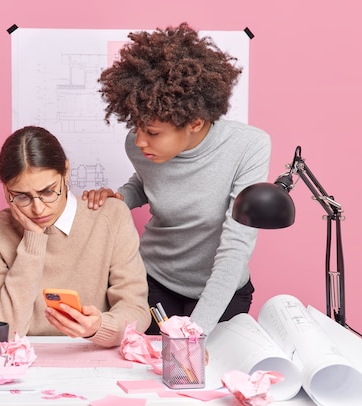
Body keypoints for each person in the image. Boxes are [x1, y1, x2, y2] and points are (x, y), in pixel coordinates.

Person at [83, 23, 271, 336]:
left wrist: (195, 333)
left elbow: (235, 246)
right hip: (154, 280)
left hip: (221, 289)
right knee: (145, 368)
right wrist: (121, 198)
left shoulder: (248, 146)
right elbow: (148, 184)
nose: (140, 141)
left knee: (199, 372)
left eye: (153, 132)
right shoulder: (139, 146)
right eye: (137, 127)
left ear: (195, 122)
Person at [0, 125, 151, 347]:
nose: (38, 209)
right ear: (5, 190)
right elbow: (1, 330)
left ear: (66, 171)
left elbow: (137, 310)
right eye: (21, 196)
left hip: (95, 354)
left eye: (48, 192)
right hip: (23, 360)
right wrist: (33, 240)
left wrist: (99, 327)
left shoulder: (110, 216)